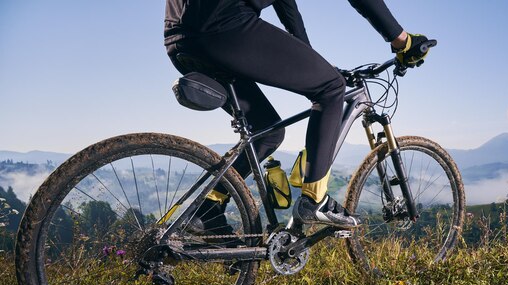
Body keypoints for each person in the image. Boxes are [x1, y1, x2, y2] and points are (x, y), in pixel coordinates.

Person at [164, 0, 430, 232]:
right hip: (223, 24)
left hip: (180, 39)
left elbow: (287, 8)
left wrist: (317, 62)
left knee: (268, 131)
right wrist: (402, 39)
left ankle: (207, 211)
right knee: (331, 88)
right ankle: (315, 200)